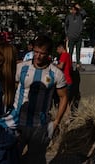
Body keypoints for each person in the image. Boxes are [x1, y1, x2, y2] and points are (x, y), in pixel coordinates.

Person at [14, 35, 68, 164]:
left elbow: (63, 97)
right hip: (17, 122)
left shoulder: (56, 73)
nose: (37, 56)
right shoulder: (21, 67)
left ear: (48, 54)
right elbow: (14, 88)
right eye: (36, 52)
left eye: (42, 53)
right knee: (11, 157)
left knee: (35, 159)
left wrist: (56, 122)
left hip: (40, 125)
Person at [65, 3, 87, 71]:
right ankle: (70, 65)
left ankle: (78, 64)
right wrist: (67, 35)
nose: (74, 11)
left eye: (75, 10)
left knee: (78, 51)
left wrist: (79, 7)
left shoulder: (80, 16)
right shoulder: (69, 16)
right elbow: (66, 26)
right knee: (70, 52)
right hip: (71, 36)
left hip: (79, 36)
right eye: (72, 9)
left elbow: (85, 13)